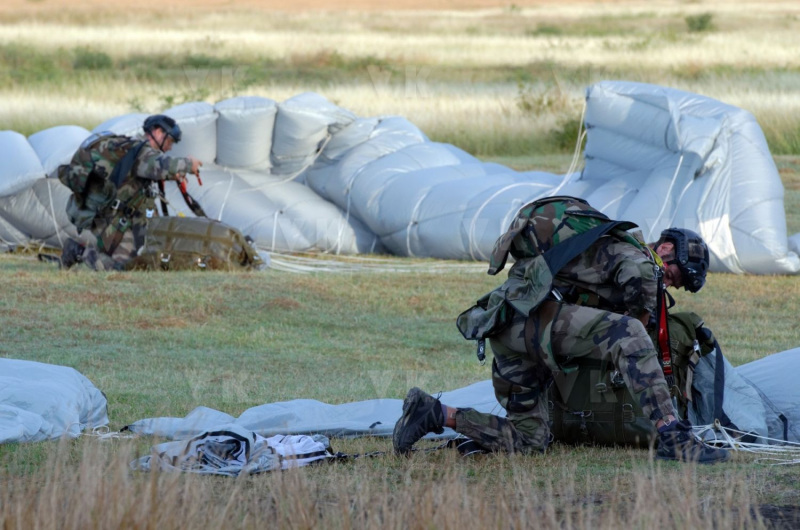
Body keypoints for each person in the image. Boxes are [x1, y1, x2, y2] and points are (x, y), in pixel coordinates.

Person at [393, 198, 729, 464]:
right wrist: (645, 313)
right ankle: (672, 435)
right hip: (533, 325)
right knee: (628, 333)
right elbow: (635, 313)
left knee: (530, 438)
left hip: (508, 329)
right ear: (665, 250)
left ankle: (435, 413)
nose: (669, 284)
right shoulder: (637, 258)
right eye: (673, 276)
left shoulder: (599, 244)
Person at [60, 115, 202, 271]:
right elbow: (161, 165)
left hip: (127, 217)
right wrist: (189, 164)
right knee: (122, 267)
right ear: (157, 132)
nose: (170, 147)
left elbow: (150, 171)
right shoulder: (141, 151)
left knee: (144, 260)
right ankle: (77, 251)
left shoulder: (135, 149)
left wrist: (172, 175)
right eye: (169, 141)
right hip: (112, 219)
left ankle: (97, 253)